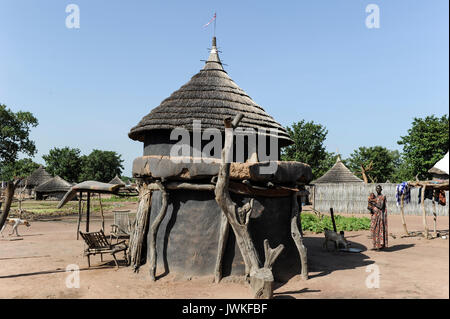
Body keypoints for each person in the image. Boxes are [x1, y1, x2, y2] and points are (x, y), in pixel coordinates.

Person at [368, 185, 388, 250]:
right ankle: (375, 245)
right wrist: (370, 207)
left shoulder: (383, 197)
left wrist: (373, 203)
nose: (377, 190)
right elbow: (370, 206)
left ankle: (379, 246)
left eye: (379, 188)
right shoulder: (374, 197)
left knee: (379, 230)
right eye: (376, 188)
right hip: (374, 216)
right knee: (374, 230)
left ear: (381, 189)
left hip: (380, 216)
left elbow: (381, 206)